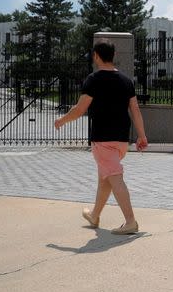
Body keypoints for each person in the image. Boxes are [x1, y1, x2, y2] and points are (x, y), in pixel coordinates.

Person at [55, 41, 148, 235]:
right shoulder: (126, 80)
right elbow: (136, 110)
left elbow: (80, 109)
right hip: (122, 140)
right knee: (105, 179)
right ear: (112, 56)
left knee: (114, 178)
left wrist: (62, 120)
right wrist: (142, 135)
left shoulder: (93, 79)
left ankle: (130, 221)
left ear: (96, 55)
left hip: (103, 140)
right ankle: (94, 215)